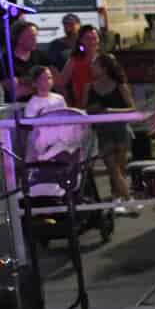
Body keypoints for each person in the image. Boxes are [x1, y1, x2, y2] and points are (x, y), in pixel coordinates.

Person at [82, 52, 134, 205]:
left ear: (104, 68)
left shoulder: (120, 86)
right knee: (112, 167)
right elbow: (83, 111)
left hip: (120, 128)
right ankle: (128, 198)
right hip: (102, 131)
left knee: (121, 167)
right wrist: (93, 109)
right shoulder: (89, 87)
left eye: (95, 65)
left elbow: (132, 109)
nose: (92, 68)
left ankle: (116, 198)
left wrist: (111, 111)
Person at [59, 24, 99, 109]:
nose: (92, 42)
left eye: (95, 38)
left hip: (103, 107)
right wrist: (68, 104)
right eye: (88, 38)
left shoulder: (104, 59)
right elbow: (61, 84)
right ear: (81, 41)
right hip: (81, 108)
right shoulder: (74, 60)